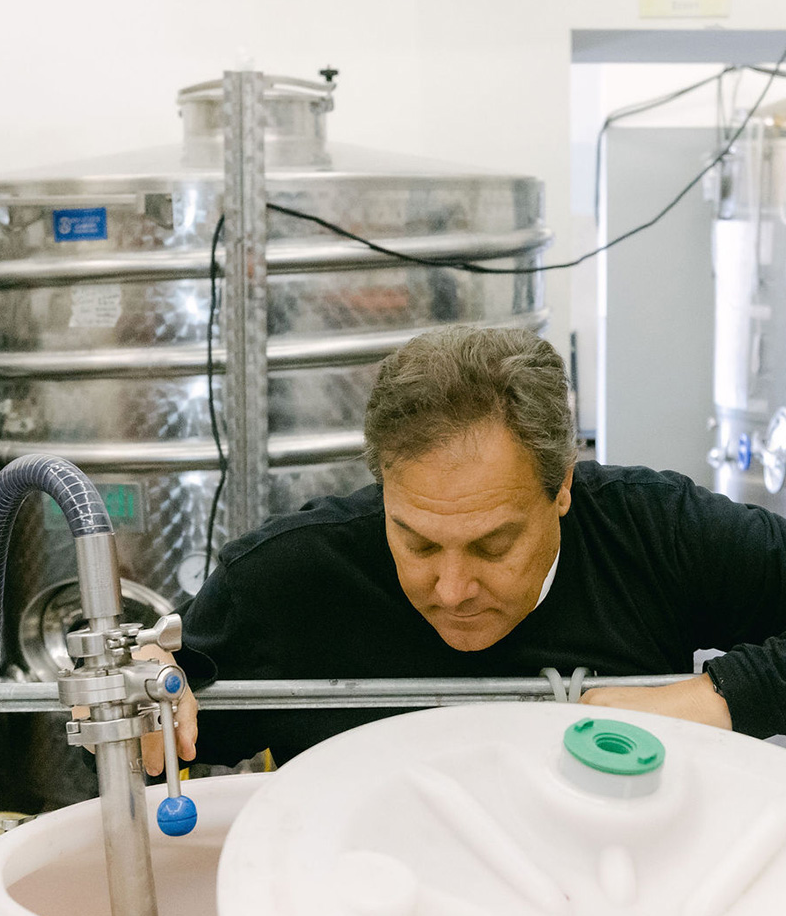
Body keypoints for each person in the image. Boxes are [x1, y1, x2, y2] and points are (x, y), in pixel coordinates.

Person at [142, 325, 786, 774]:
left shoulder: (653, 532)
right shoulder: (287, 581)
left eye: (493, 544)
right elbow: (138, 731)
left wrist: (721, 697)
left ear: (561, 485)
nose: (452, 589)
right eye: (417, 543)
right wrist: (138, 701)